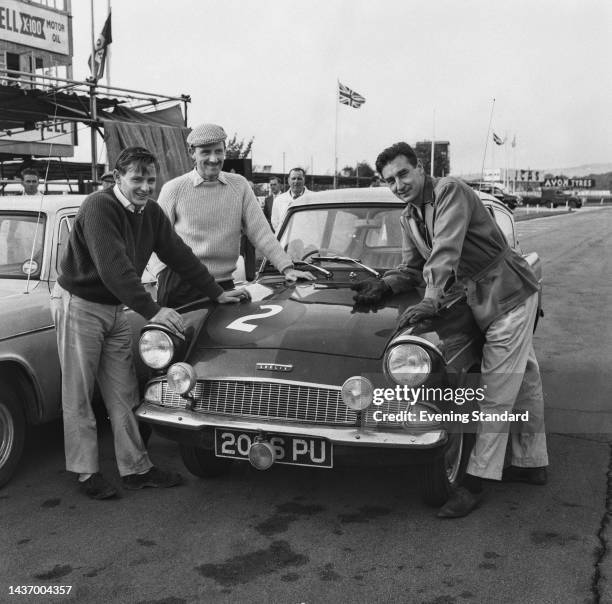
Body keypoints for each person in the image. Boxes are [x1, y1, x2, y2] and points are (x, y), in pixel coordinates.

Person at [353, 142, 548, 518]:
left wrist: (430, 299)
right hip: (477, 299)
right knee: (524, 378)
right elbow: (412, 266)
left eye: (403, 174)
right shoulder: (407, 216)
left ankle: (476, 481)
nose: (398, 184)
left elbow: (445, 252)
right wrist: (387, 285)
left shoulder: (451, 191)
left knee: (495, 390)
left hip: (506, 293)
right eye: (390, 180)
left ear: (420, 168)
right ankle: (532, 462)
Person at [51, 146, 247, 500]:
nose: (145, 186)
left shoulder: (151, 213)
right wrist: (152, 309)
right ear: (116, 178)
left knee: (124, 391)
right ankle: (85, 473)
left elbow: (179, 255)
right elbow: (114, 268)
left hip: (115, 308)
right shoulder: (99, 207)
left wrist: (215, 292)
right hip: (81, 304)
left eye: (150, 180)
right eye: (137, 179)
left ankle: (136, 468)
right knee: (78, 393)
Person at [154, 123, 313, 307]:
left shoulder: (239, 185)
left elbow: (260, 231)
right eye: (205, 152)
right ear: (192, 152)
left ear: (225, 151)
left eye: (218, 151)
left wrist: (286, 268)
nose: (214, 159)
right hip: (181, 287)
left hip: (225, 286)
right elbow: (155, 238)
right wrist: (161, 274)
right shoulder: (173, 189)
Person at [271, 167, 310, 231]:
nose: (296, 181)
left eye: (299, 179)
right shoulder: (278, 200)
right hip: (287, 239)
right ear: (289, 180)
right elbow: (275, 222)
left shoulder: (313, 197)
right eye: (293, 178)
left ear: (304, 180)